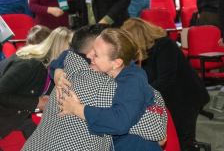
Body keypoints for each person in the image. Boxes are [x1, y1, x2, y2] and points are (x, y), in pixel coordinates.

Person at [22, 25, 166, 151]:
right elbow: (157, 131)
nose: (92, 55)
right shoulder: (103, 87)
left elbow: (67, 54)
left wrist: (56, 69)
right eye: (94, 52)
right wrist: (153, 94)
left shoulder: (67, 71)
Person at [121, 18, 210, 151]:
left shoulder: (164, 45)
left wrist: (140, 92)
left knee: (184, 140)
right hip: (170, 100)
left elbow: (165, 80)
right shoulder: (144, 52)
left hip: (186, 99)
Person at [0, 27, 72, 142]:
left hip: (17, 115)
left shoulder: (52, 68)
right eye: (70, 52)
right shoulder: (29, 64)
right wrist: (37, 102)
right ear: (59, 50)